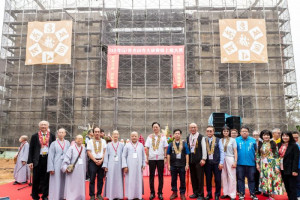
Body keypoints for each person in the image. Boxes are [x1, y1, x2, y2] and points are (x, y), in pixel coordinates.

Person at [28, 120, 56, 200]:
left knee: (46, 179)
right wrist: (30, 161)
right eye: (42, 125)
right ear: (39, 126)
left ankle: (45, 196)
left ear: (48, 126)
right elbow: (31, 149)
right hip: (37, 159)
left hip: (48, 159)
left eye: (45, 125)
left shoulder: (52, 136)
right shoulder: (35, 136)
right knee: (36, 178)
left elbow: (54, 149)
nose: (43, 126)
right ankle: (35, 195)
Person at [256, 130, 283, 200]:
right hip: (263, 165)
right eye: (264, 135)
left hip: (272, 164)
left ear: (270, 136)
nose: (266, 136)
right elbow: (258, 155)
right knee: (266, 180)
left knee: (272, 179)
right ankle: (269, 196)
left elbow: (277, 156)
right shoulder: (260, 144)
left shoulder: (273, 143)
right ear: (262, 136)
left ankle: (272, 197)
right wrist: (257, 164)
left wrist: (277, 166)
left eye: (267, 135)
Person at [145, 122, 169, 200]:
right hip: (151, 158)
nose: (155, 128)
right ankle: (152, 193)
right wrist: (147, 157)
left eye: (157, 127)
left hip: (160, 158)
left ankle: (160, 193)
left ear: (159, 127)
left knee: (160, 177)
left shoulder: (163, 137)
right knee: (151, 176)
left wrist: (165, 157)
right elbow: (147, 148)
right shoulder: (149, 137)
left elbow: (166, 147)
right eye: (154, 127)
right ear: (152, 128)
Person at [47, 128, 71, 200]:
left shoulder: (67, 143)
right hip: (56, 164)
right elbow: (50, 156)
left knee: (65, 180)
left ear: (65, 134)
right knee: (56, 180)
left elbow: (70, 154)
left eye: (62, 132)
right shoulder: (53, 143)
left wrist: (69, 166)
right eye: (59, 132)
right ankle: (55, 196)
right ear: (57, 134)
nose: (61, 134)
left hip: (65, 163)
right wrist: (51, 168)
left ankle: (63, 196)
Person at [236, 126, 258, 200]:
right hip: (240, 163)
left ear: (248, 132)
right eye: (243, 131)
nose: (244, 132)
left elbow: (256, 151)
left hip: (251, 164)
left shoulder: (253, 140)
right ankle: (242, 194)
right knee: (240, 179)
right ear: (240, 132)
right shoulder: (236, 140)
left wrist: (256, 160)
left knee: (251, 179)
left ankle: (252, 194)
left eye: (246, 131)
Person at [167, 129, 190, 200]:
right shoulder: (170, 144)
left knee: (182, 180)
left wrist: (187, 164)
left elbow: (187, 154)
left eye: (178, 133)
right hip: (173, 165)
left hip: (182, 165)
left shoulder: (184, 143)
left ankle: (182, 193)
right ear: (174, 135)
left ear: (180, 135)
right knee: (173, 180)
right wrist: (168, 164)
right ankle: (174, 192)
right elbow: (168, 154)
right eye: (176, 133)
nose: (177, 135)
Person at [61, 135, 86, 200]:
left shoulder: (83, 148)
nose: (80, 140)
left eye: (81, 138)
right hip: (73, 170)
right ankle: (71, 197)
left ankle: (80, 196)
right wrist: (65, 167)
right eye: (78, 139)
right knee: (72, 184)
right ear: (75, 140)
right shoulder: (71, 148)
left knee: (80, 184)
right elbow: (66, 158)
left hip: (81, 170)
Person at [122, 131, 146, 200]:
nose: (134, 137)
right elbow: (123, 156)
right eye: (132, 136)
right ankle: (130, 196)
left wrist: (143, 164)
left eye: (135, 136)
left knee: (138, 181)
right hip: (129, 168)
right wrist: (125, 166)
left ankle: (138, 196)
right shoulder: (127, 145)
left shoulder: (141, 145)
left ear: (138, 137)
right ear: (130, 137)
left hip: (138, 167)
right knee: (130, 181)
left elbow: (143, 156)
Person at [186, 123, 207, 200]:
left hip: (199, 160)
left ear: (197, 128)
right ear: (189, 129)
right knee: (193, 177)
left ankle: (201, 194)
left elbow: (204, 148)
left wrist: (204, 158)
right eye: (191, 127)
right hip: (191, 160)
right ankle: (195, 192)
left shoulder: (201, 137)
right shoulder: (188, 137)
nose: (193, 129)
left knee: (200, 178)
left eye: (194, 127)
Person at [204, 126, 224, 200]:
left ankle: (217, 194)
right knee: (208, 180)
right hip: (207, 164)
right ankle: (209, 194)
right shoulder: (204, 140)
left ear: (213, 132)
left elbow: (222, 152)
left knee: (217, 180)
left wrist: (221, 162)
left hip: (216, 163)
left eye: (210, 131)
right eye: (207, 131)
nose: (209, 132)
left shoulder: (218, 140)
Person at [102, 130, 124, 200]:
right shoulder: (108, 145)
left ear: (119, 135)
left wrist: (124, 165)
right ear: (112, 135)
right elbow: (106, 156)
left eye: (117, 134)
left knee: (119, 180)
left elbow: (123, 156)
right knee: (111, 180)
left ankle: (119, 195)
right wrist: (105, 165)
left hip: (119, 165)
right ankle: (111, 195)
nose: (115, 135)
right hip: (110, 165)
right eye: (114, 134)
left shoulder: (121, 145)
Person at [87, 127, 107, 200]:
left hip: (101, 161)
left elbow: (105, 151)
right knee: (92, 178)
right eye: (95, 132)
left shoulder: (104, 141)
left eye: (98, 132)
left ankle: (99, 194)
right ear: (93, 133)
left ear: (100, 133)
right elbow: (88, 152)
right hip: (93, 161)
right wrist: (95, 160)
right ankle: (92, 195)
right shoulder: (90, 141)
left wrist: (102, 159)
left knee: (100, 179)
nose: (97, 133)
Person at [278, 131, 299, 200]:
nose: (285, 137)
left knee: (292, 187)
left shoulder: (294, 145)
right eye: (283, 136)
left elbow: (296, 159)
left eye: (287, 136)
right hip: (281, 168)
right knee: (286, 186)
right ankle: (290, 198)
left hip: (290, 169)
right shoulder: (279, 144)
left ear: (290, 137)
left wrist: (294, 170)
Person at [220, 126, 237, 200]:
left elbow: (235, 151)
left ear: (229, 132)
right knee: (223, 176)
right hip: (222, 159)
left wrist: (235, 161)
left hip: (230, 158)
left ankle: (232, 194)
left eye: (227, 131)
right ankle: (225, 193)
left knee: (232, 176)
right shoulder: (220, 140)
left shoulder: (232, 140)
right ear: (222, 132)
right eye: (224, 131)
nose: (225, 132)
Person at [252, 131, 261, 195]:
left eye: (257, 135)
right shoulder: (251, 142)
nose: (255, 136)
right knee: (253, 175)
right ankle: (254, 188)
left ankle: (259, 189)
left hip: (260, 162)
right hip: (252, 161)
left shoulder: (262, 143)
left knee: (259, 176)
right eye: (254, 135)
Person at [292, 131, 300, 200]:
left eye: (296, 137)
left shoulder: (298, 145)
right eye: (293, 137)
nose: (295, 139)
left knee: (298, 182)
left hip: (298, 166)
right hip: (290, 168)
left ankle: (297, 195)